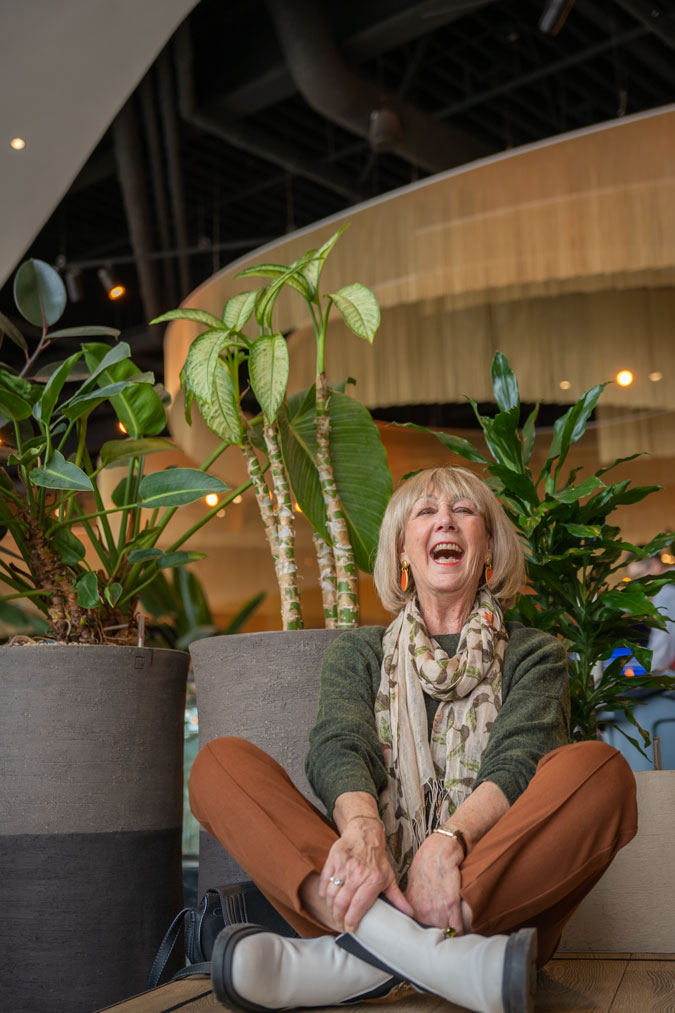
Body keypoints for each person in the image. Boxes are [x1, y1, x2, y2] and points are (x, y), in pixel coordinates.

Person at [190, 465, 637, 1013]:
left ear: (488, 546)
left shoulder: (535, 653)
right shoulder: (360, 651)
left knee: (600, 770)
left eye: (463, 511)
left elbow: (518, 760)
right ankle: (424, 956)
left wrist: (449, 841)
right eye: (426, 512)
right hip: (424, 920)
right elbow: (339, 744)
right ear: (403, 551)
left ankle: (347, 961)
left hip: (489, 906)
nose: (444, 521)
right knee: (219, 764)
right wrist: (362, 832)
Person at [626, 552, 675, 671]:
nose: (638, 585)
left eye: (640, 576)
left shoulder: (666, 591)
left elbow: (663, 643)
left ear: (655, 565)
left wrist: (650, 679)